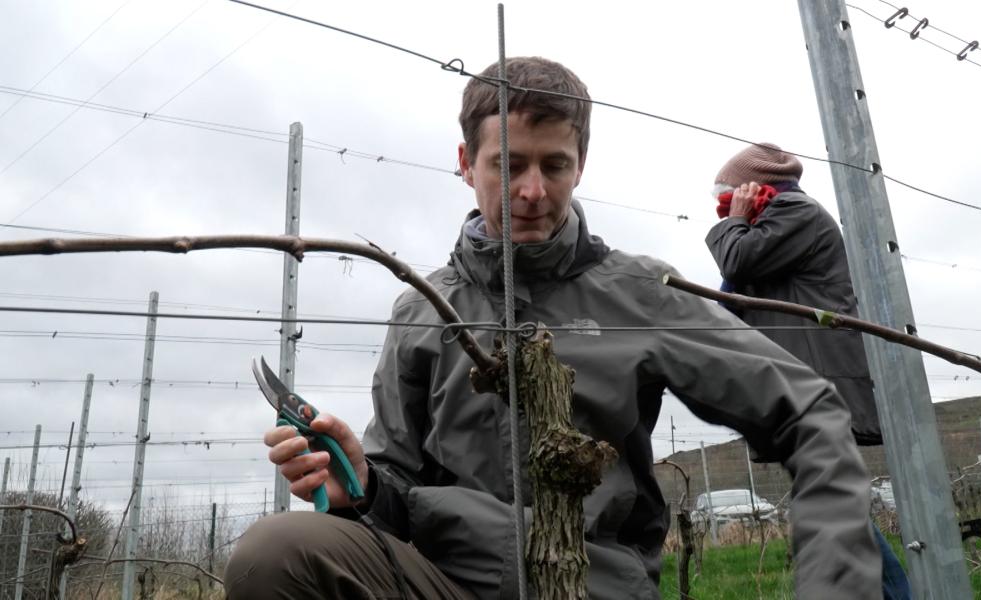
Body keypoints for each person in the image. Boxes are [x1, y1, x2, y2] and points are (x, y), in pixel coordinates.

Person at [225, 58, 881, 599]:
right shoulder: (424, 310)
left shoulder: (638, 293)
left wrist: (835, 586)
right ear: (466, 162)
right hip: (448, 583)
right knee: (274, 553)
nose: (532, 190)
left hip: (597, 587)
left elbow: (810, 413)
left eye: (554, 165)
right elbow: (398, 492)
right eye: (507, 165)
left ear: (580, 164)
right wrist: (363, 487)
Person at [705, 142, 910, 599]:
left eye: (727, 193)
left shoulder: (795, 212)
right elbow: (737, 302)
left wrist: (733, 221)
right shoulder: (775, 224)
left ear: (754, 188)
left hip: (819, 383)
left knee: (835, 508)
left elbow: (736, 261)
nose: (723, 204)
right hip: (801, 382)